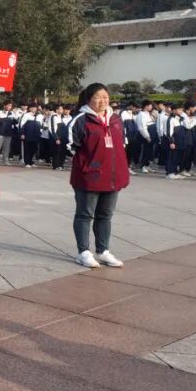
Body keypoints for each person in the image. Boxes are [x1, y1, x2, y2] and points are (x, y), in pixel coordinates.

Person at [68, 83, 129, 268]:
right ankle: (83, 252)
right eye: (97, 97)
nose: (102, 101)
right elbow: (70, 146)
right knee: (85, 215)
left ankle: (103, 251)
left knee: (105, 216)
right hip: (89, 177)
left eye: (105, 97)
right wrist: (88, 165)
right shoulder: (81, 120)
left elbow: (122, 143)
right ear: (88, 99)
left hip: (113, 176)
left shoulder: (116, 119)